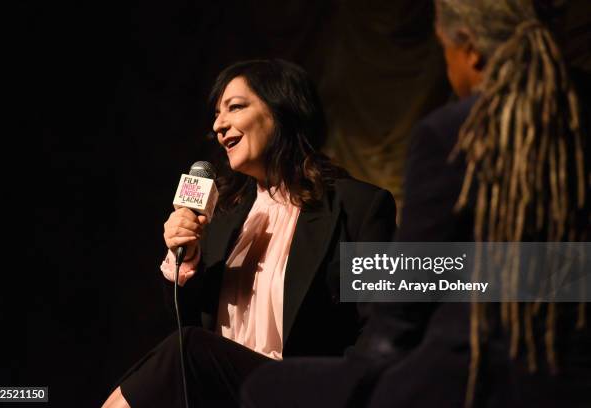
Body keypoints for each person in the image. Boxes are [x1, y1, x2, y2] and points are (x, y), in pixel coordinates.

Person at [241, 1, 590, 407]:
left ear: (471, 50)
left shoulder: (455, 133)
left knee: (266, 387)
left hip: (480, 369)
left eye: (445, 50)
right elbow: (550, 270)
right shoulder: (576, 113)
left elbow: (407, 303)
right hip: (575, 357)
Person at [101, 59, 397, 408]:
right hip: (226, 396)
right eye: (216, 114)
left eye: (235, 107)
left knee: (189, 348)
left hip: (306, 394)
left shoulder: (358, 206)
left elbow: (381, 326)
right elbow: (192, 318)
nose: (218, 124)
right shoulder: (223, 216)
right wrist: (186, 258)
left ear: (284, 111)